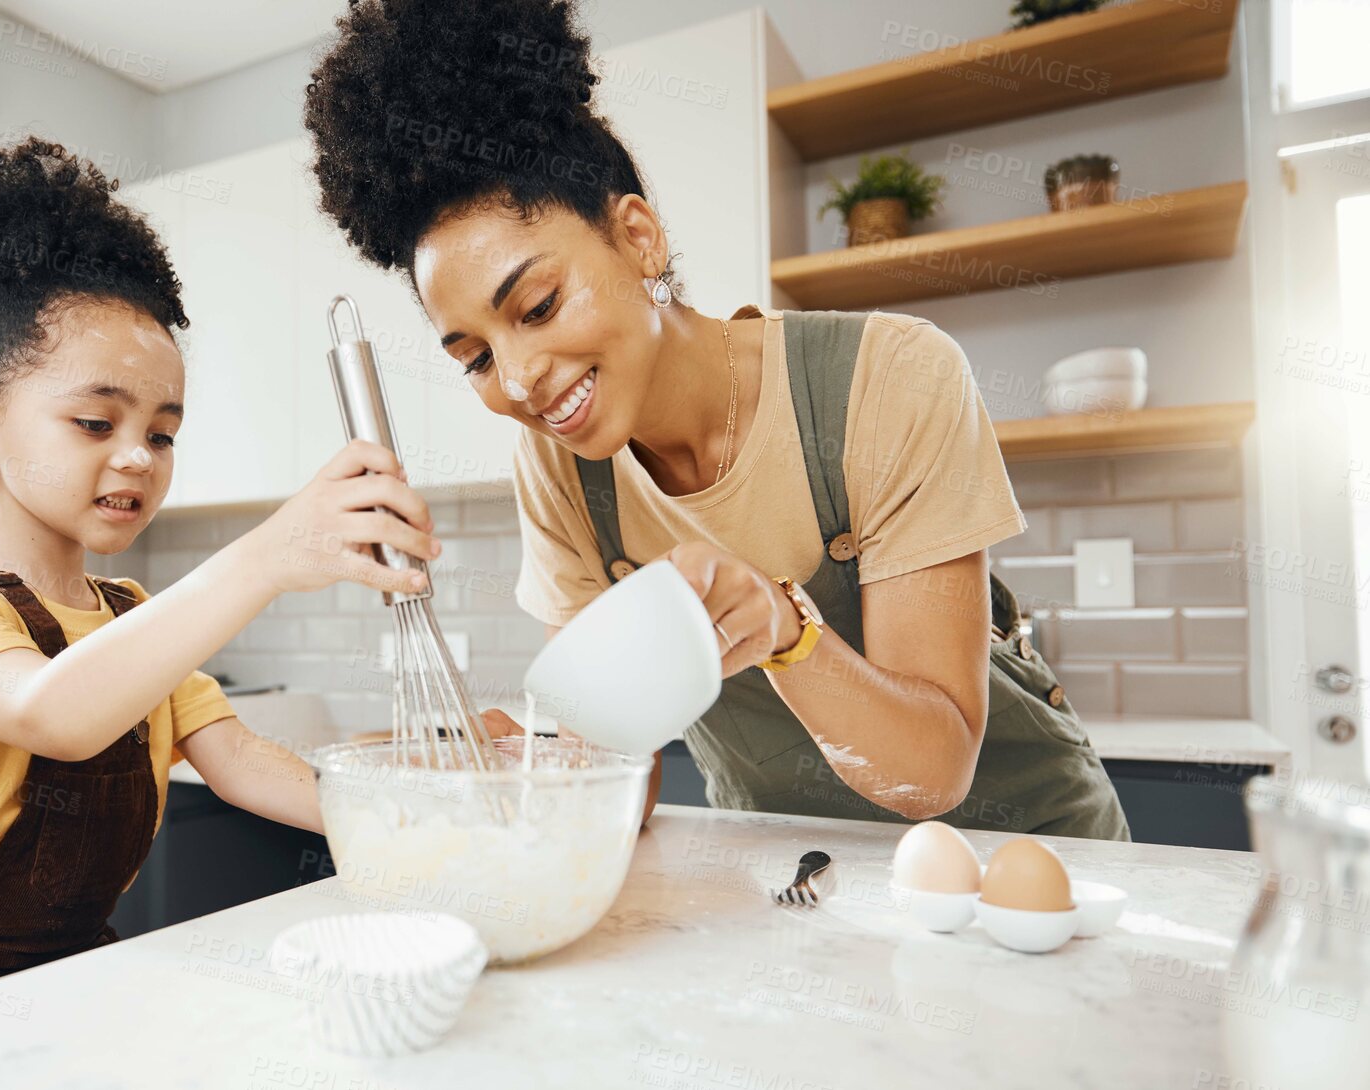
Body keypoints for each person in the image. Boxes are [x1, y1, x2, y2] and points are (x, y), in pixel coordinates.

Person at [301, 0, 1128, 839]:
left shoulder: (892, 377)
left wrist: (788, 628)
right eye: (473, 357)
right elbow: (618, 762)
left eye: (540, 305)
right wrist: (533, 762)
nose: (516, 380)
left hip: (1030, 860)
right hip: (796, 874)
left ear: (638, 238)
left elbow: (935, 770)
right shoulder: (560, 472)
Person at [0, 138, 444, 1034]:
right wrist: (264, 555)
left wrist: (411, 812)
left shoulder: (133, 621)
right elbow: (56, 715)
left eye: (164, 432)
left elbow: (247, 767)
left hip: (71, 985)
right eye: (96, 421)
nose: (138, 454)